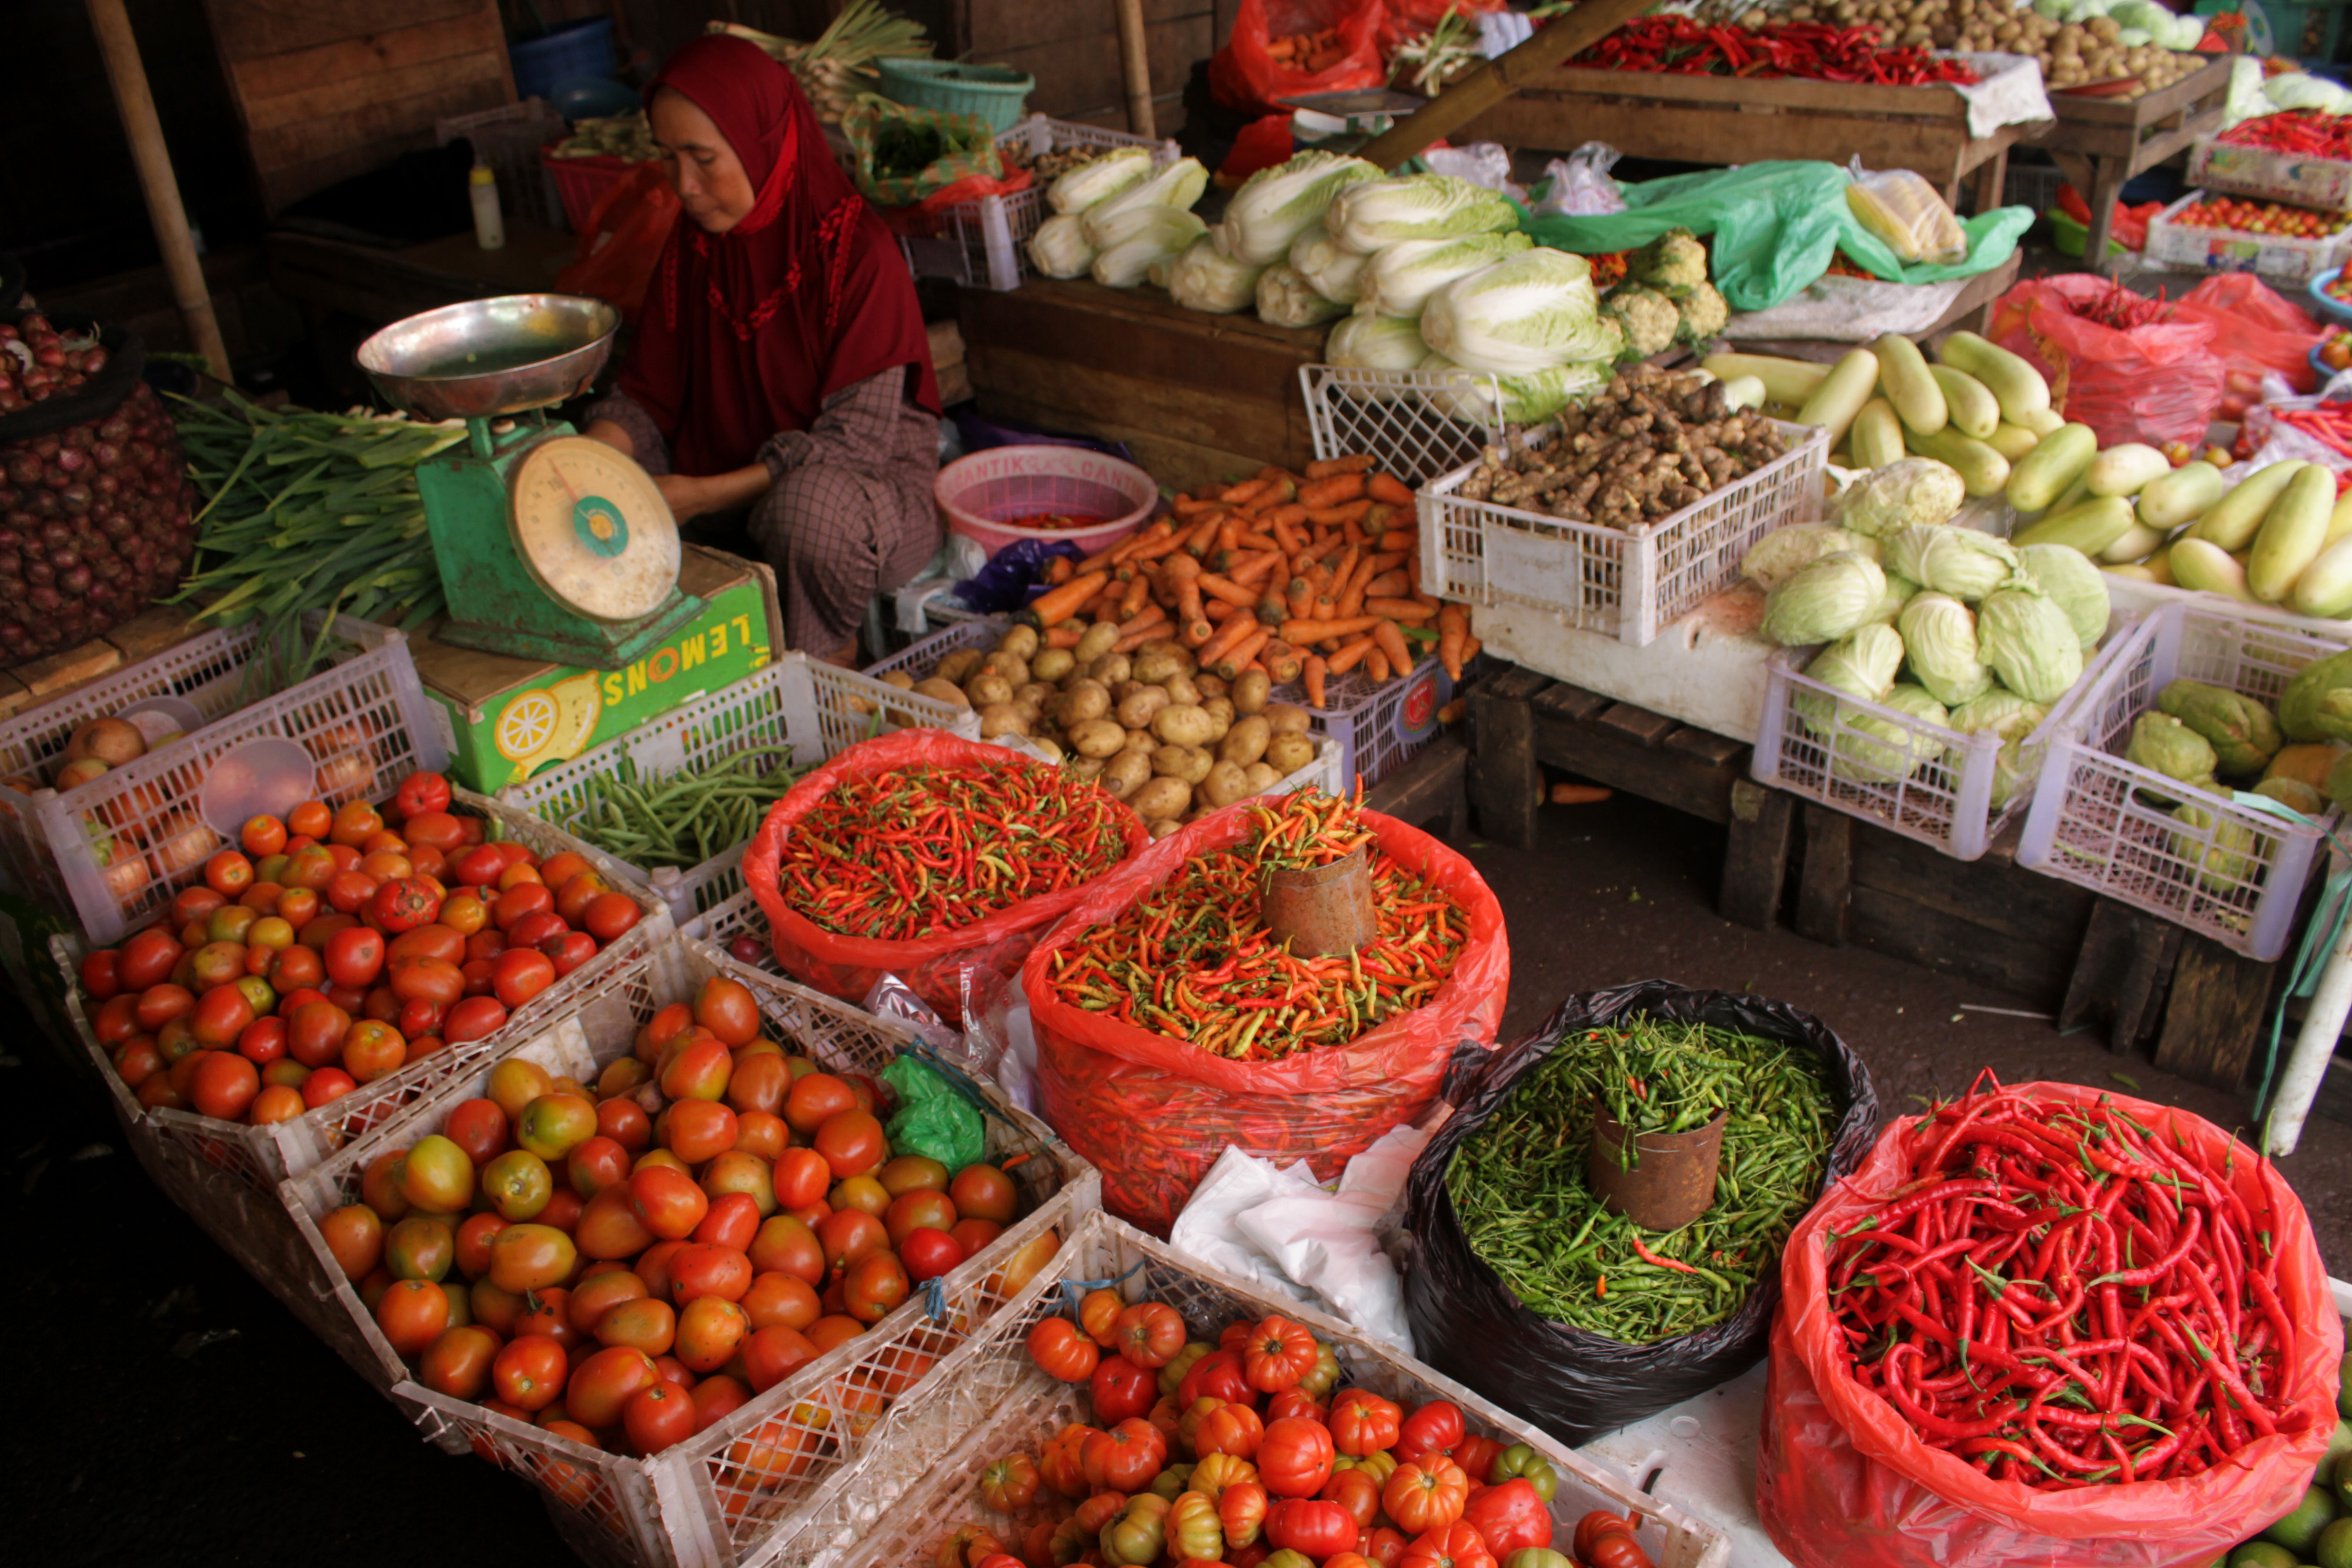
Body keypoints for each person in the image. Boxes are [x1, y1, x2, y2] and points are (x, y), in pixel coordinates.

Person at [584, 34, 941, 665]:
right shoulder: (694, 246)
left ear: (762, 144)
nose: (684, 186)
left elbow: (848, 448)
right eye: (668, 158)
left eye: (702, 158)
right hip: (714, 481)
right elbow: (646, 392)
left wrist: (701, 495)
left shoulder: (859, 256)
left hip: (863, 501)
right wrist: (593, 464)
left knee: (807, 511)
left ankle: (831, 673)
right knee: (586, 454)